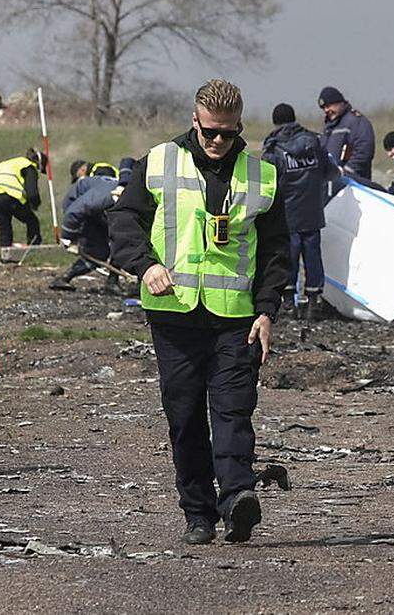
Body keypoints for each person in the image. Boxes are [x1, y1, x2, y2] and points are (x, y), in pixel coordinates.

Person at [109, 79, 289, 545]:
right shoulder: (158, 163)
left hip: (236, 319)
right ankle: (198, 513)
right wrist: (144, 265)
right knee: (185, 417)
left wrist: (267, 311)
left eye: (226, 134)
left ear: (239, 129)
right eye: (208, 131)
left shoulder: (261, 175)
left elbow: (275, 252)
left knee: (233, 412)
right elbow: (124, 221)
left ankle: (237, 498)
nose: (215, 142)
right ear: (194, 121)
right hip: (175, 317)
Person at [262, 102, 341, 318]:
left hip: (287, 214)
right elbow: (331, 172)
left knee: (288, 257)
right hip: (313, 211)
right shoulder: (313, 141)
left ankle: (289, 302)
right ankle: (314, 299)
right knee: (313, 255)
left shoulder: (274, 147)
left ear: (276, 122)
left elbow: (267, 181)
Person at [51, 158, 134, 294]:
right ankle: (65, 278)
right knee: (98, 252)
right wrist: (68, 238)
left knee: (120, 240)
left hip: (97, 212)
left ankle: (111, 283)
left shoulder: (126, 196)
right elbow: (74, 212)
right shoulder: (103, 197)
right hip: (78, 208)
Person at [0, 148, 44, 262]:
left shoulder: (10, 163)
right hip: (10, 196)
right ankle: (32, 252)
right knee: (32, 221)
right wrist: (35, 204)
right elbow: (32, 192)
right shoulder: (29, 166)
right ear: (38, 162)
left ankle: (5, 259)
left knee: (5, 229)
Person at [318, 86, 375, 181]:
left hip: (353, 182)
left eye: (328, 106)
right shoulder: (329, 127)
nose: (326, 110)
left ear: (340, 102)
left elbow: (364, 151)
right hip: (333, 182)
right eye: (323, 108)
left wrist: (345, 171)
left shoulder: (356, 121)